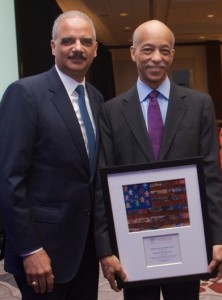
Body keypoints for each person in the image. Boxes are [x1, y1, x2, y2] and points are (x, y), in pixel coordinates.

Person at [96, 20, 222, 300]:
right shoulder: (111, 112)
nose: (156, 58)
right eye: (147, 49)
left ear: (173, 55)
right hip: (133, 246)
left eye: (164, 51)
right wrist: (106, 249)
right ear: (133, 53)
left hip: (187, 241)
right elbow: (103, 186)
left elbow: (211, 177)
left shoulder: (200, 104)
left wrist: (218, 237)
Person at [0, 10, 103, 300]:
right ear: (53, 46)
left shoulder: (95, 98)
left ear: (95, 49)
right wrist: (30, 250)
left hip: (84, 250)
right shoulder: (25, 93)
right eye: (68, 40)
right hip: (41, 253)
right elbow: (9, 180)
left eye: (85, 41)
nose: (77, 48)